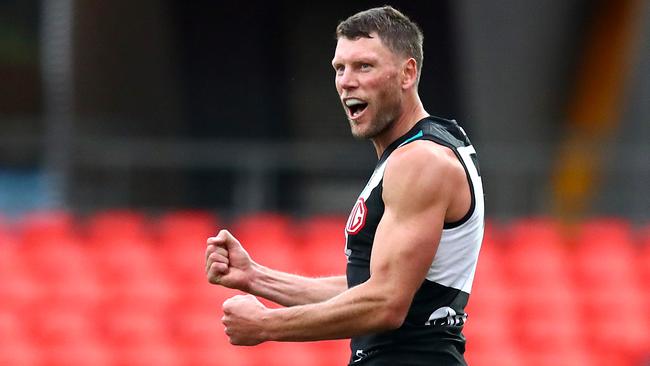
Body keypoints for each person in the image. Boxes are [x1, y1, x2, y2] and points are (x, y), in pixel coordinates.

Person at [205, 6, 484, 365]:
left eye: (364, 66)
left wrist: (265, 325)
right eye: (340, 68)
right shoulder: (417, 152)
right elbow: (368, 288)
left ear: (407, 73)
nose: (346, 81)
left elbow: (385, 304)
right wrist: (256, 277)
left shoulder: (419, 161)